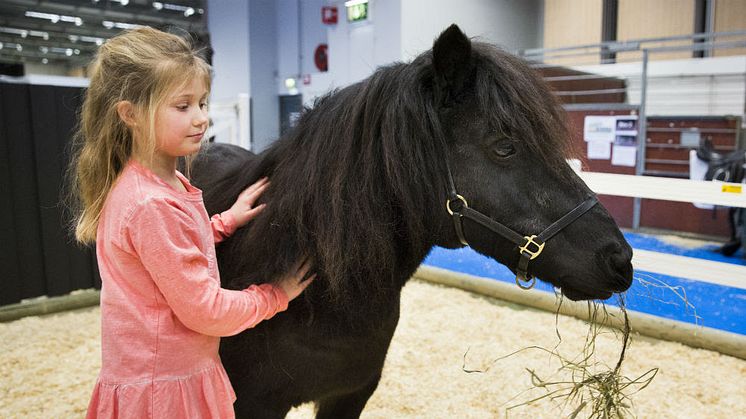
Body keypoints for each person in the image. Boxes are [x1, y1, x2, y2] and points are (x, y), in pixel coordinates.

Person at [68, 27, 313, 418]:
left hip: (166, 373)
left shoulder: (158, 182)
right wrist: (275, 295)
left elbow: (168, 254)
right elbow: (206, 310)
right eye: (182, 106)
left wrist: (223, 222)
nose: (201, 118)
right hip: (163, 388)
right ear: (130, 114)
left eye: (202, 102)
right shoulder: (150, 203)